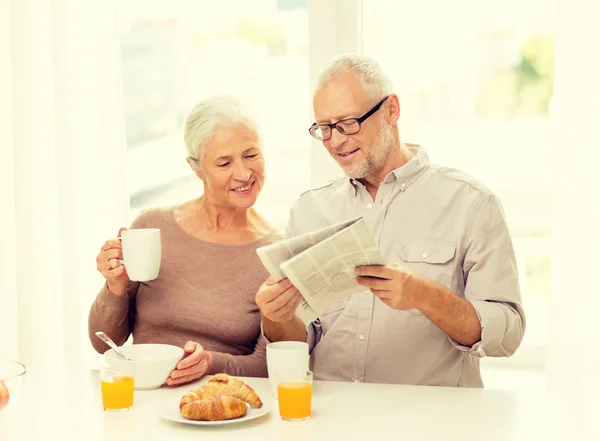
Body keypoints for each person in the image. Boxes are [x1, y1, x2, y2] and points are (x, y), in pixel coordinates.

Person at [256, 54, 526, 388]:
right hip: (331, 419)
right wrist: (275, 316)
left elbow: (508, 334)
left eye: (348, 123)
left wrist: (426, 296)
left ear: (392, 110)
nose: (336, 141)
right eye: (324, 129)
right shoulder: (309, 210)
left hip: (429, 422)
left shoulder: (471, 203)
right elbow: (301, 342)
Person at [89, 95, 279, 386]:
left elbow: (270, 365)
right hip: (144, 402)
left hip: (222, 411)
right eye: (224, 162)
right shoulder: (151, 227)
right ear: (196, 167)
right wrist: (114, 287)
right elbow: (104, 344)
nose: (243, 174)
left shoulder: (275, 251)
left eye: (251, 155)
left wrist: (210, 363)